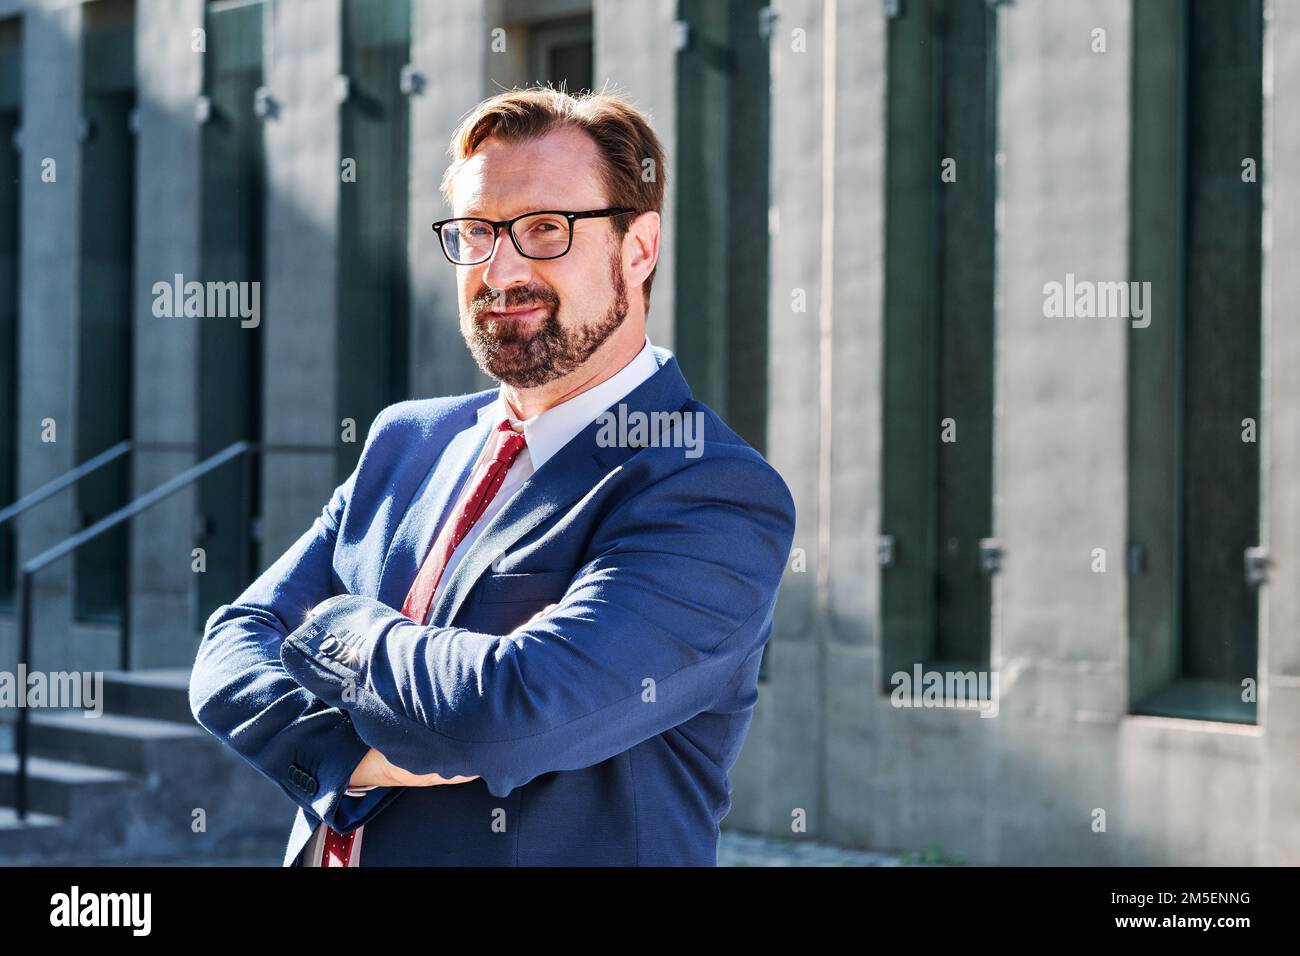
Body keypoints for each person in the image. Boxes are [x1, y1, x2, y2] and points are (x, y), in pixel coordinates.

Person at [188, 86, 796, 866]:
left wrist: (337, 627)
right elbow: (231, 648)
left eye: (544, 228)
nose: (499, 268)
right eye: (475, 232)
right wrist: (351, 760)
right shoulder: (407, 440)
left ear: (638, 249)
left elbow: (507, 711)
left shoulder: (710, 492)